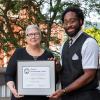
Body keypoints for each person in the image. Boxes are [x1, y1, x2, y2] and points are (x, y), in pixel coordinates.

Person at [49, 6, 100, 100]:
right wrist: (57, 66)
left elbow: (89, 75)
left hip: (86, 96)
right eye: (66, 22)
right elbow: (66, 70)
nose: (69, 25)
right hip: (68, 96)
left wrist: (64, 91)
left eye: (72, 21)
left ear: (81, 21)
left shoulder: (89, 42)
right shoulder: (64, 45)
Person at [5, 24, 54, 100]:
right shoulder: (18, 53)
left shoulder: (48, 55)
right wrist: (12, 89)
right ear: (26, 38)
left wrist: (56, 68)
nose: (33, 37)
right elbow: (8, 75)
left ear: (40, 36)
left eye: (36, 34)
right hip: (20, 98)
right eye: (30, 34)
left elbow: (54, 79)